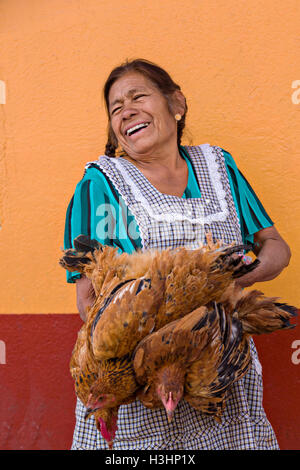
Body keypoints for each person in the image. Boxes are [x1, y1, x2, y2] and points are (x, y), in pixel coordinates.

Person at [63, 59, 291, 450]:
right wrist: (167, 323)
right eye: (116, 108)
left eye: (138, 97)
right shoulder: (100, 184)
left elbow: (276, 247)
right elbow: (88, 302)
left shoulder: (219, 167)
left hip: (221, 370)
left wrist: (232, 281)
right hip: (139, 385)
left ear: (176, 103)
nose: (126, 111)